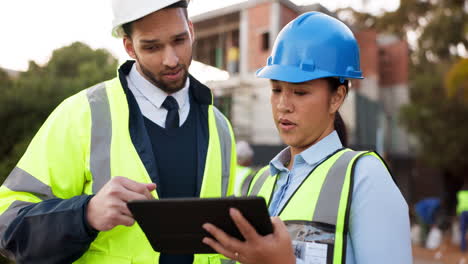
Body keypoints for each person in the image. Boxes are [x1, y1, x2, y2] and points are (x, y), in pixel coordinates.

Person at [0, 0, 237, 263]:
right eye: (152, 47)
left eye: (179, 40)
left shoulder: (220, 126)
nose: (171, 59)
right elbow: (7, 224)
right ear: (129, 47)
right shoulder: (82, 114)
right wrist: (85, 214)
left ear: (191, 31)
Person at [201, 12, 412, 264]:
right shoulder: (260, 182)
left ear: (337, 97)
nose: (283, 105)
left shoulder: (364, 177)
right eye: (276, 89)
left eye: (300, 92)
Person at [457, 182, 468, 251]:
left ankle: (463, 248)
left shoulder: (460, 194)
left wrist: (458, 213)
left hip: (463, 212)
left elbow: (459, 204)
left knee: (463, 231)